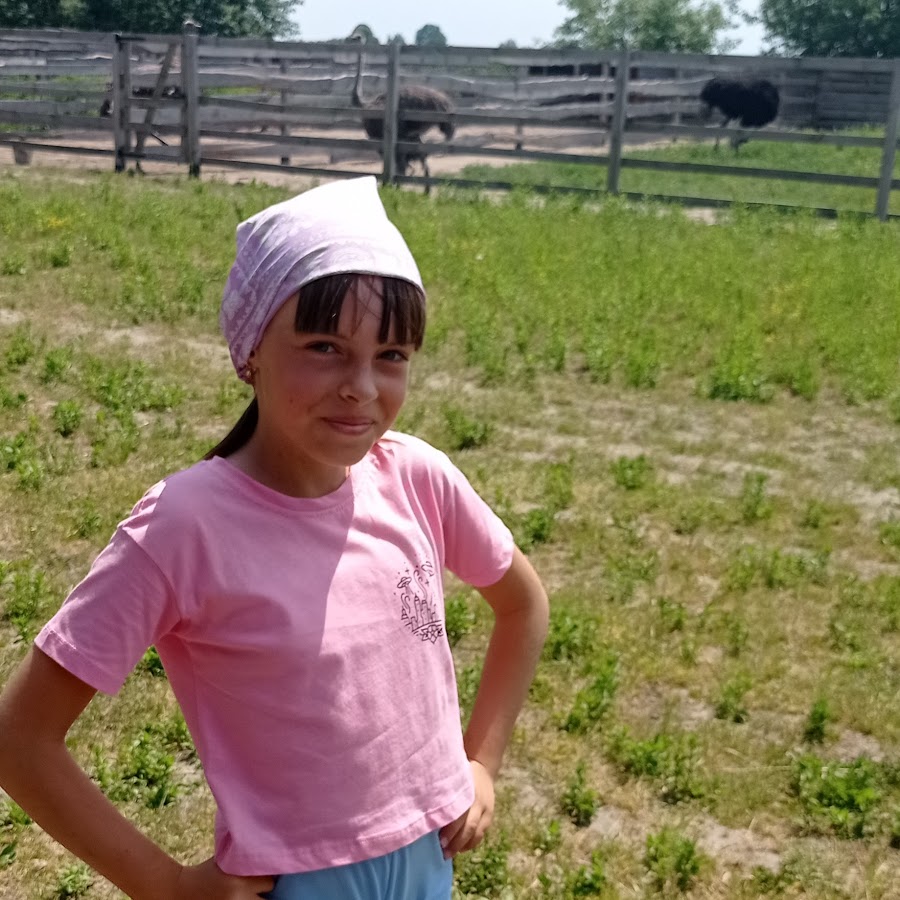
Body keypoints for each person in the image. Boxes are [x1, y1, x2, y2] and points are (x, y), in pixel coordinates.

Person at [0, 176, 549, 900]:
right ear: (251, 348)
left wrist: (482, 763)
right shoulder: (183, 527)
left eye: (391, 355)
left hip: (429, 864)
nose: (361, 386)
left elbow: (523, 605)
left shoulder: (418, 478)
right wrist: (168, 886)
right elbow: (20, 739)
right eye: (325, 346)